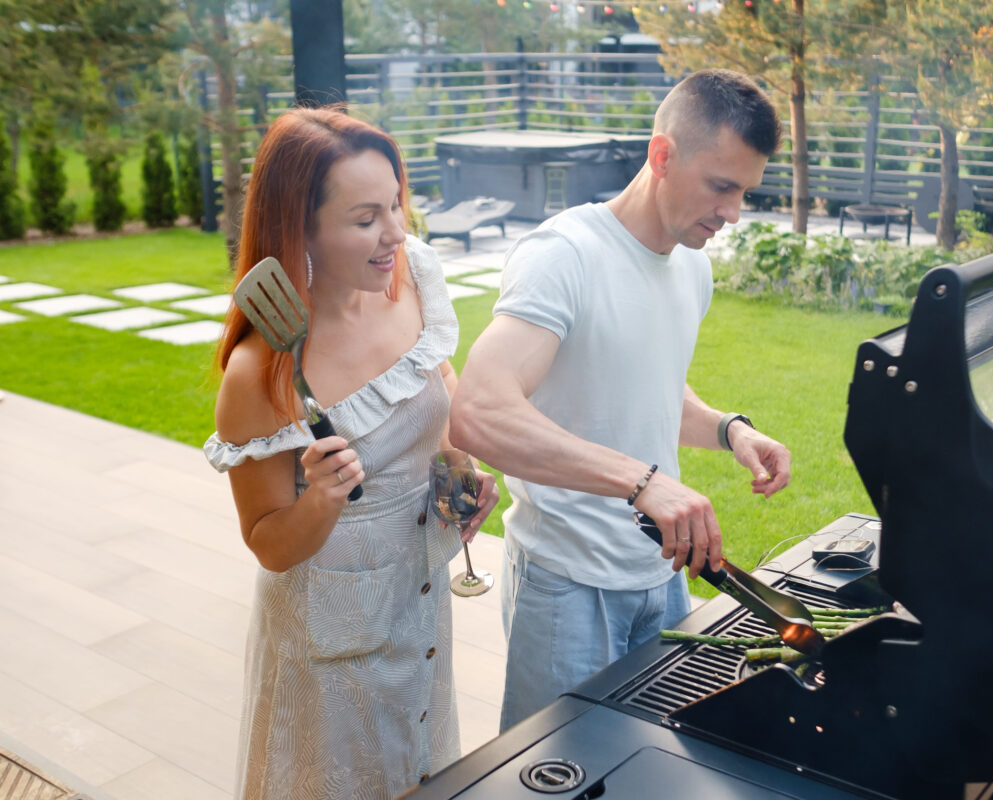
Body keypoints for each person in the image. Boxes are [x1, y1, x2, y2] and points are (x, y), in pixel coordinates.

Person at [448, 69, 792, 731]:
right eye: (721, 186)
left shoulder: (692, 265)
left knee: (655, 766)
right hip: (567, 583)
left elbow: (648, 389)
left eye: (745, 191)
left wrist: (730, 432)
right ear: (662, 156)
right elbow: (479, 409)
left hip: (661, 576)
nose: (733, 213)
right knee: (559, 774)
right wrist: (642, 482)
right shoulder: (565, 256)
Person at [204, 107, 499, 799]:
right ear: (298, 228)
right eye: (366, 219)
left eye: (397, 204)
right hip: (326, 642)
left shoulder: (414, 278)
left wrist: (461, 468)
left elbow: (439, 385)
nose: (396, 233)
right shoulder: (263, 372)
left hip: (419, 598)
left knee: (421, 772)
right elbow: (269, 544)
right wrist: (326, 499)